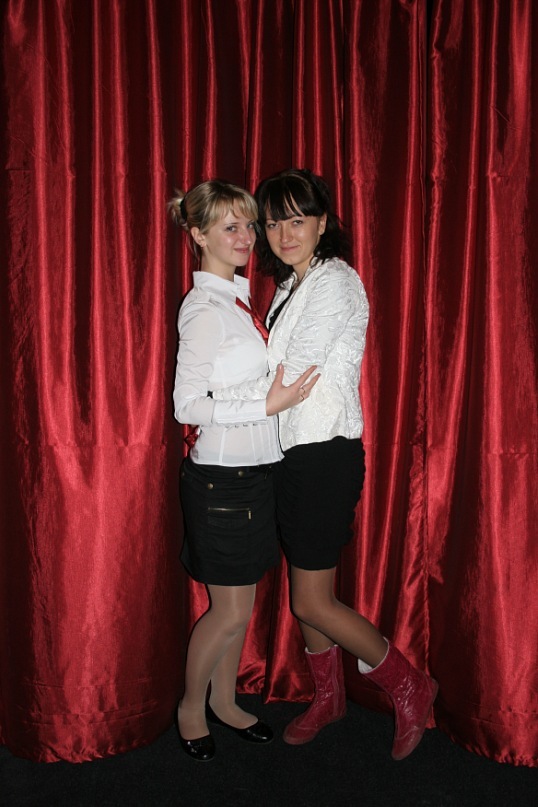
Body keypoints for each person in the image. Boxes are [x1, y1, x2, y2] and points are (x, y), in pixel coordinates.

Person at [212, 168, 438, 760]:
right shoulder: (292, 285)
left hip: (324, 454)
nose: (283, 233)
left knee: (311, 600)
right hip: (290, 454)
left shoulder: (334, 281)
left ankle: (410, 685)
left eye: (296, 219)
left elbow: (293, 373)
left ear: (321, 222)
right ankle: (329, 698)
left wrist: (220, 397)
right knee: (305, 589)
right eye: (273, 223)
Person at [170, 179, 318, 762]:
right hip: (221, 480)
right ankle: (191, 709)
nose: (247, 237)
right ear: (198, 234)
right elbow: (186, 406)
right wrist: (267, 404)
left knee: (241, 609)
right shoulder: (204, 309)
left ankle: (226, 701)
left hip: (255, 475)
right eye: (230, 226)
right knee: (229, 610)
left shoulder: (236, 299)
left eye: (249, 225)